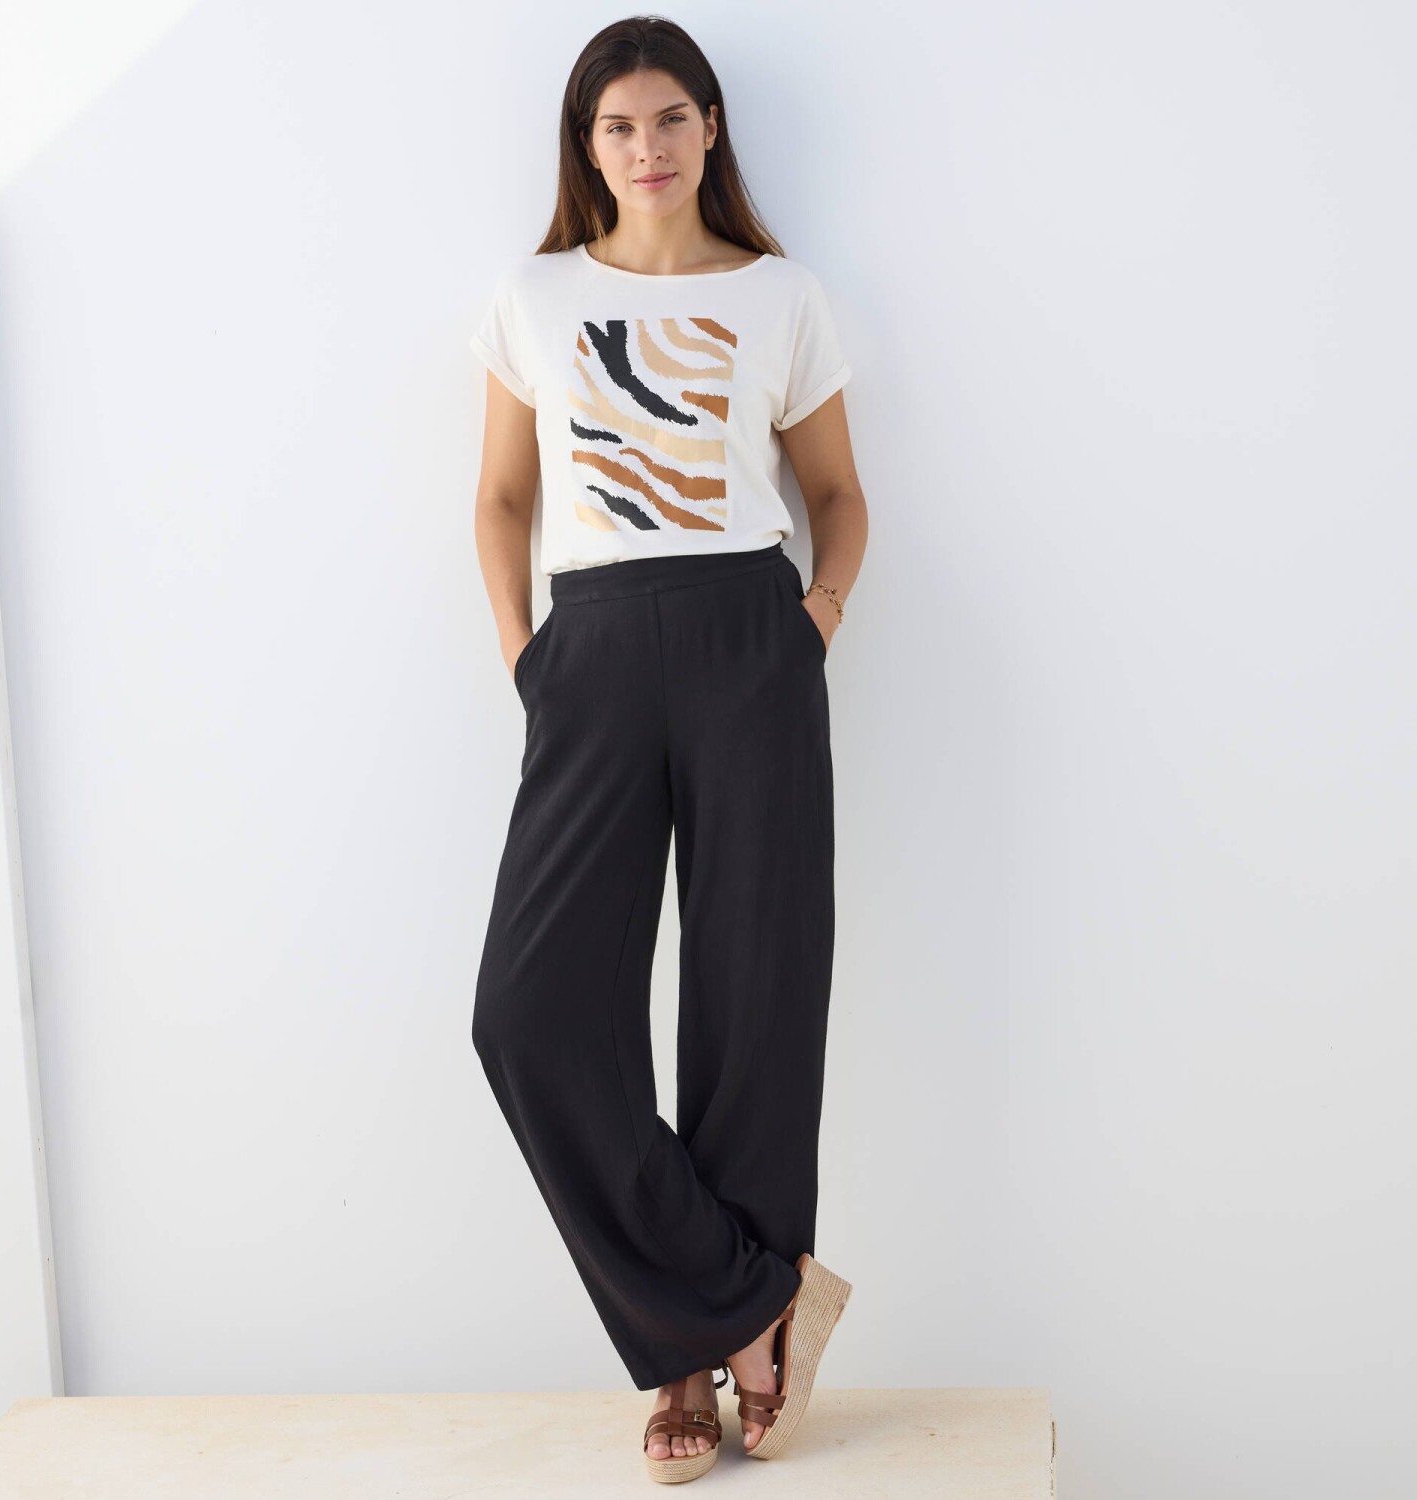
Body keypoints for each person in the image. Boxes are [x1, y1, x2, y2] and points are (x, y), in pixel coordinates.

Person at [468, 16, 868, 1483]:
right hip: (591, 651)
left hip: (751, 641)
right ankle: (745, 1300)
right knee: (529, 1017)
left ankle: (702, 1366)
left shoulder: (782, 295)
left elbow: (838, 494)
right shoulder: (534, 295)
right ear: (588, 148)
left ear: (711, 130)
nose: (648, 147)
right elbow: (500, 498)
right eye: (619, 125)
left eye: (671, 118)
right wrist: (528, 656)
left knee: (754, 1000)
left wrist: (813, 622)